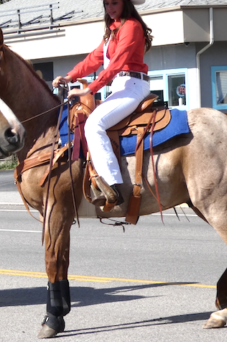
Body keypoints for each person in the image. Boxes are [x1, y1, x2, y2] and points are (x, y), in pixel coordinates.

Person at [52, 0, 152, 206]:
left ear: (125, 3)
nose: (110, 7)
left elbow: (116, 63)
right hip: (122, 86)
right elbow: (94, 59)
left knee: (94, 124)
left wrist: (89, 88)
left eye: (115, 2)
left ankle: (112, 185)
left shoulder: (131, 26)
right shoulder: (112, 31)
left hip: (132, 85)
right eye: (106, 3)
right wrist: (70, 77)